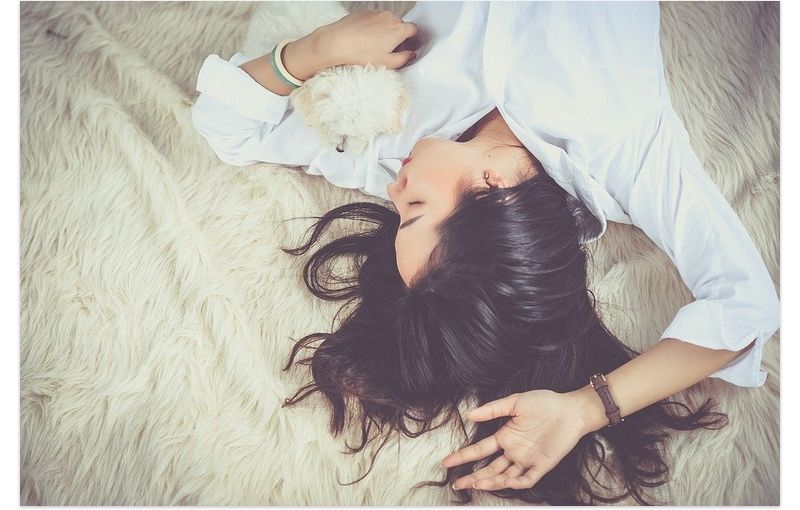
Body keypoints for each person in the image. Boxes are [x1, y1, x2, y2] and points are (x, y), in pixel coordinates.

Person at [191, 2, 780, 505]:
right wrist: (584, 409)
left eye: (399, 214)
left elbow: (230, 130)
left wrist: (317, 50)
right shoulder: (623, 148)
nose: (394, 191)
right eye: (414, 208)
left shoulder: (393, 148)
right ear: (494, 189)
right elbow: (745, 306)